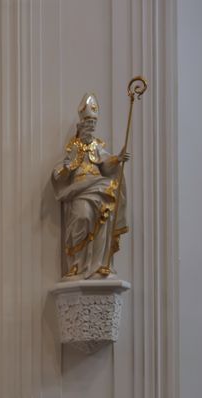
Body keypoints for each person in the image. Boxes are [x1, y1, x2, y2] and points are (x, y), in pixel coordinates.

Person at [51, 92, 129, 279]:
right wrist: (67, 168)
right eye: (87, 123)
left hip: (98, 185)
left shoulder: (97, 146)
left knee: (105, 216)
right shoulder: (74, 147)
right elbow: (61, 171)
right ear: (81, 125)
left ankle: (100, 264)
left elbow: (105, 164)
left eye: (93, 124)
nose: (90, 127)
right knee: (82, 217)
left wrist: (117, 159)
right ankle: (77, 265)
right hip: (80, 188)